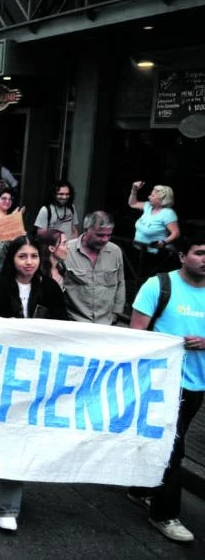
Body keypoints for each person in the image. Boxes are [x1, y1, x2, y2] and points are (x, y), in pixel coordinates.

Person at [0, 235, 68, 531]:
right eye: (22, 257)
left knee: (16, 434)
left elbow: (62, 327)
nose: (29, 262)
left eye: (33, 256)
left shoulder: (51, 288)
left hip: (35, 377)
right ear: (12, 259)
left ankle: (7, 506)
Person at [126, 232, 205, 543]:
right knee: (175, 447)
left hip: (197, 384)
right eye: (199, 252)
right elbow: (136, 335)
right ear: (182, 256)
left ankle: (141, 487)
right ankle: (165, 514)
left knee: (168, 440)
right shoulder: (158, 286)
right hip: (163, 384)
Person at [64, 211, 125, 325]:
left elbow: (120, 283)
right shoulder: (67, 250)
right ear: (87, 229)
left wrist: (117, 313)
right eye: (100, 235)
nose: (105, 239)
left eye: (109, 235)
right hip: (74, 321)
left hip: (105, 322)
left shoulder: (115, 251)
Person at [128, 182, 180, 276]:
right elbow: (132, 204)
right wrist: (134, 190)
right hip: (139, 251)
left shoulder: (168, 213)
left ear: (161, 199)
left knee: (144, 278)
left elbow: (175, 233)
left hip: (154, 255)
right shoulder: (148, 206)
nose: (148, 197)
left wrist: (163, 242)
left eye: (152, 195)